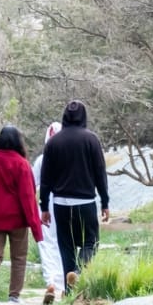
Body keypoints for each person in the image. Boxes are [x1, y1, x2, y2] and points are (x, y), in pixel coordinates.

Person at [39, 100, 110, 293]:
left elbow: (45, 179)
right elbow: (100, 173)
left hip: (61, 204)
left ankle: (70, 292)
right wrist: (105, 202)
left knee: (66, 247)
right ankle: (78, 273)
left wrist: (44, 207)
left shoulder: (53, 143)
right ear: (83, 116)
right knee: (91, 242)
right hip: (85, 203)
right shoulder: (91, 140)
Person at [0, 125, 43, 303]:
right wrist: (36, 228)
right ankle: (14, 296)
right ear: (19, 142)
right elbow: (28, 198)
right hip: (17, 221)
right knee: (19, 258)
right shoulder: (21, 164)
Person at [32, 121, 64, 304]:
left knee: (46, 243)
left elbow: (33, 183)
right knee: (63, 242)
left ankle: (51, 281)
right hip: (64, 203)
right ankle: (62, 282)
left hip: (46, 205)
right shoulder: (68, 158)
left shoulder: (41, 160)